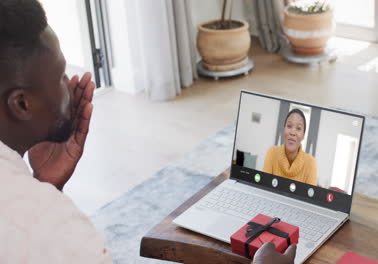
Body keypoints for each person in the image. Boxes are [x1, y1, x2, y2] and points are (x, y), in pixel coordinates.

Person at [0, 0, 296, 263]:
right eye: (60, 74)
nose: (69, 83)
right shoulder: (51, 229)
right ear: (22, 104)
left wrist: (47, 188)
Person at [263, 109, 317, 185]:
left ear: (303, 135)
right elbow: (264, 187)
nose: (292, 132)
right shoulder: (272, 152)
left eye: (298, 128)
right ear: (283, 129)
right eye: (289, 126)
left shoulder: (311, 163)